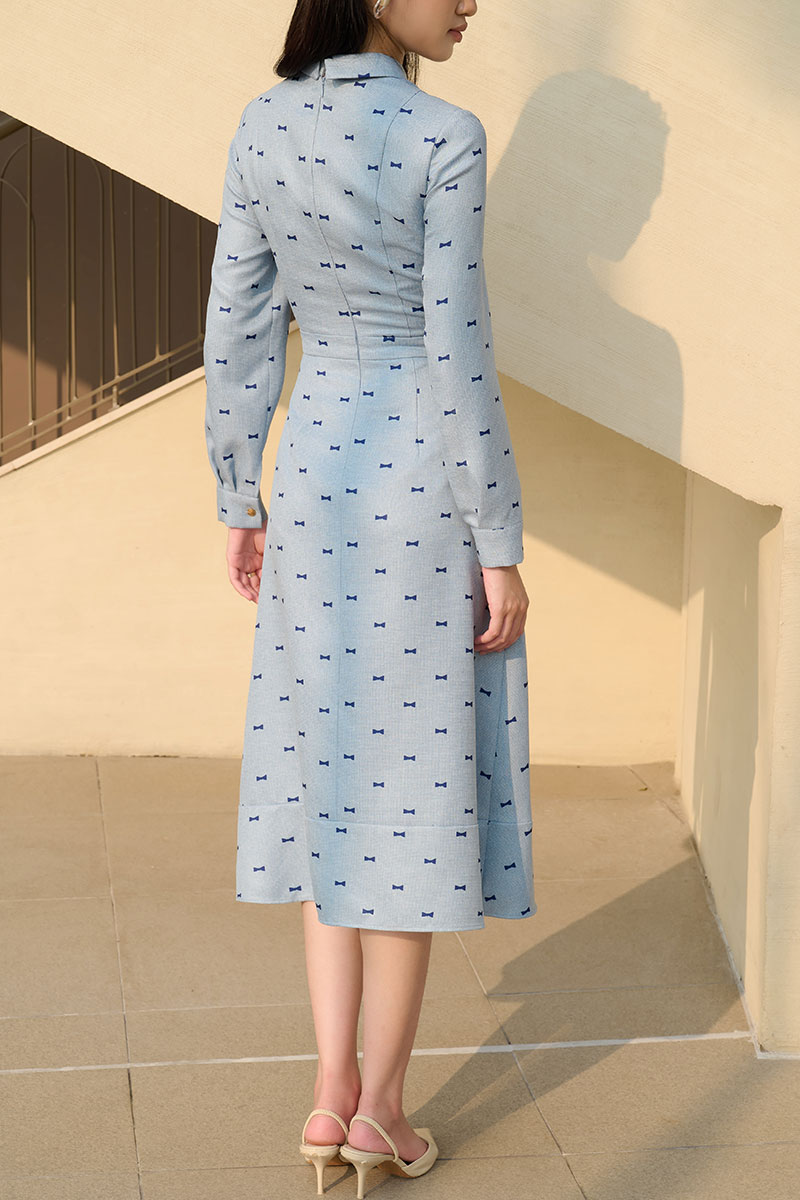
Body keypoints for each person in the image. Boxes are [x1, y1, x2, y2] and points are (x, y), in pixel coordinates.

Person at [202, 0, 536, 1192]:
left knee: (331, 778)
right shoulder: (443, 134)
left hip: (312, 463)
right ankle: (380, 1114)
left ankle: (327, 1093)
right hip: (415, 477)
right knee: (410, 790)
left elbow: (238, 323)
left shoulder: (262, 124)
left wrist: (239, 490)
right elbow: (456, 345)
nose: (469, 3)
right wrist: (497, 538)